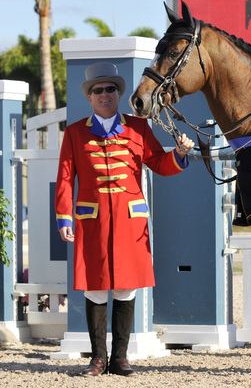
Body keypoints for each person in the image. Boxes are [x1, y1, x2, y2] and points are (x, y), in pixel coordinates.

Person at [55, 62, 195, 376]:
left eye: (110, 89)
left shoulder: (138, 128)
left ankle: (119, 359)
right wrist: (64, 217)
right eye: (97, 90)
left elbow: (158, 163)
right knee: (95, 287)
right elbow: (65, 178)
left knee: (125, 288)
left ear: (117, 94)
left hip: (130, 221)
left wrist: (180, 154)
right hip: (93, 219)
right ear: (90, 97)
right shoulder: (75, 132)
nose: (104, 95)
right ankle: (97, 359)